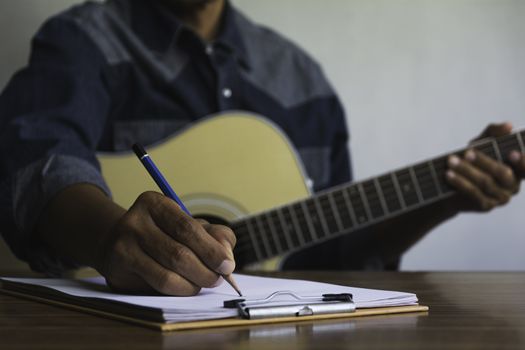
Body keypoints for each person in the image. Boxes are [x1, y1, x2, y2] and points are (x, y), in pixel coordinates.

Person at [0, 0, 523, 296]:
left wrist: (447, 194)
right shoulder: (82, 39)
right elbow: (31, 157)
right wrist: (109, 235)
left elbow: (334, 254)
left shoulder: (303, 79)